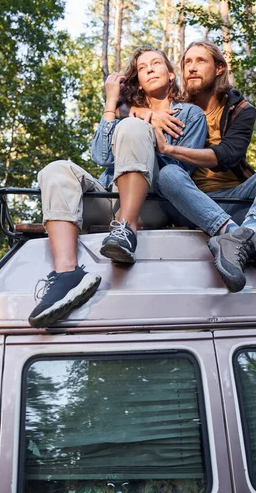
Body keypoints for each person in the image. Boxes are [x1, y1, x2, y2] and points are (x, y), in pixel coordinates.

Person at [28, 46, 207, 328]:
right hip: (110, 195)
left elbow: (179, 173)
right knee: (56, 170)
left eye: (156, 63)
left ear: (171, 74)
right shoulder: (128, 116)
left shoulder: (191, 114)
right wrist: (114, 102)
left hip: (152, 202)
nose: (149, 68)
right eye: (142, 67)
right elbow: (101, 156)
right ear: (137, 79)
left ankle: (127, 229)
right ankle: (67, 274)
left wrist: (146, 123)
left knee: (132, 129)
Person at [134, 40, 256, 292]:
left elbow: (228, 155)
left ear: (219, 68)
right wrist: (143, 112)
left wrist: (170, 149)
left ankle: (244, 233)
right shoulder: (174, 105)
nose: (192, 68)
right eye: (187, 62)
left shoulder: (240, 109)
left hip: (235, 201)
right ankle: (248, 240)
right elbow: (125, 110)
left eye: (200, 61)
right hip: (188, 202)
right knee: (169, 174)